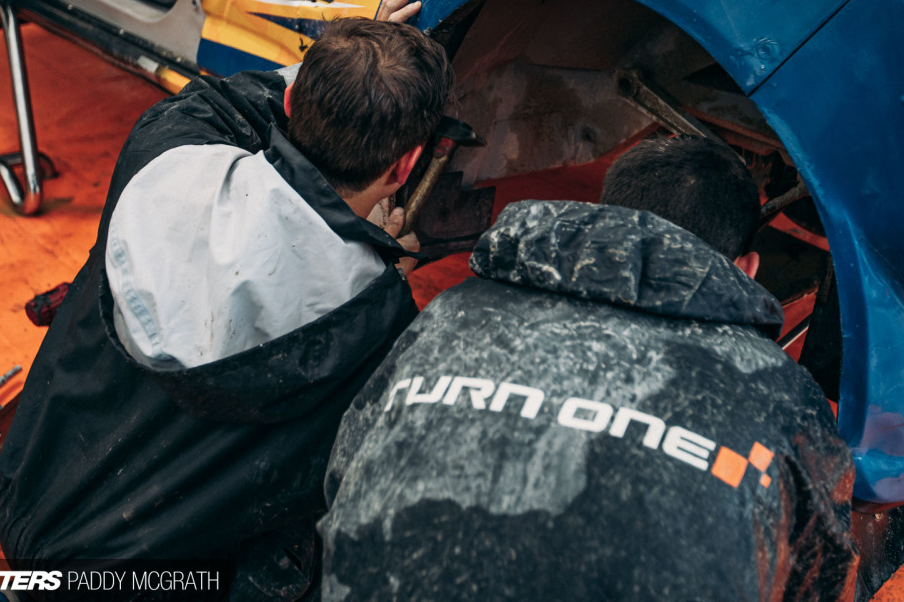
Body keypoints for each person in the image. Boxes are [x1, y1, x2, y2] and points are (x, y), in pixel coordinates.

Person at [0, 0, 452, 600]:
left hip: (28, 500)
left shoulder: (167, 150)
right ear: (404, 166)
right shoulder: (375, 322)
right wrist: (385, 272)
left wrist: (347, 71)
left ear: (290, 102)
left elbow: (232, 98)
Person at [320, 134, 859, 601]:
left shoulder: (452, 313)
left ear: (603, 217)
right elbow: (821, 577)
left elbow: (343, 471)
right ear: (747, 269)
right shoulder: (781, 394)